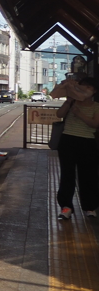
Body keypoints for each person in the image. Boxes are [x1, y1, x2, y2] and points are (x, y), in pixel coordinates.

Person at [54, 75, 99, 219]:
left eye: (89, 87)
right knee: (67, 174)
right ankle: (66, 207)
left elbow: (95, 124)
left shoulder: (96, 106)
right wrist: (68, 101)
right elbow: (59, 114)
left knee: (88, 175)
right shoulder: (72, 102)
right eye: (83, 86)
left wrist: (79, 114)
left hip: (87, 142)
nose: (85, 89)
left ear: (94, 91)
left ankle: (89, 207)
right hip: (67, 141)